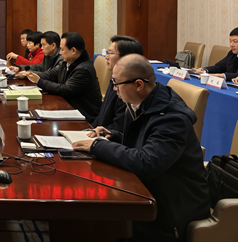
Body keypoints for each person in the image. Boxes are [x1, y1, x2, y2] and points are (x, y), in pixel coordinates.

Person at [72, 54, 210, 241]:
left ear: (138, 85)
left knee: (97, 222)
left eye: (116, 83)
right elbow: (145, 142)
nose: (114, 88)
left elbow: (147, 162)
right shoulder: (144, 102)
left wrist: (97, 146)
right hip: (150, 191)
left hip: (171, 211)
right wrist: (114, 136)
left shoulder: (171, 119)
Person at [27, 31, 102, 123]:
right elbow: (51, 74)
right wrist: (31, 75)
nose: (60, 52)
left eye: (62, 49)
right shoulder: (67, 62)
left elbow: (65, 90)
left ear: (73, 51)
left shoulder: (84, 69)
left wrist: (40, 81)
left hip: (83, 116)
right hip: (69, 108)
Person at [91, 35, 143, 131]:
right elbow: (102, 117)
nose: (106, 57)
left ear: (126, 57)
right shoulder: (114, 79)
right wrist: (90, 130)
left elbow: (119, 127)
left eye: (110, 53)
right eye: (107, 53)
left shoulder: (130, 86)